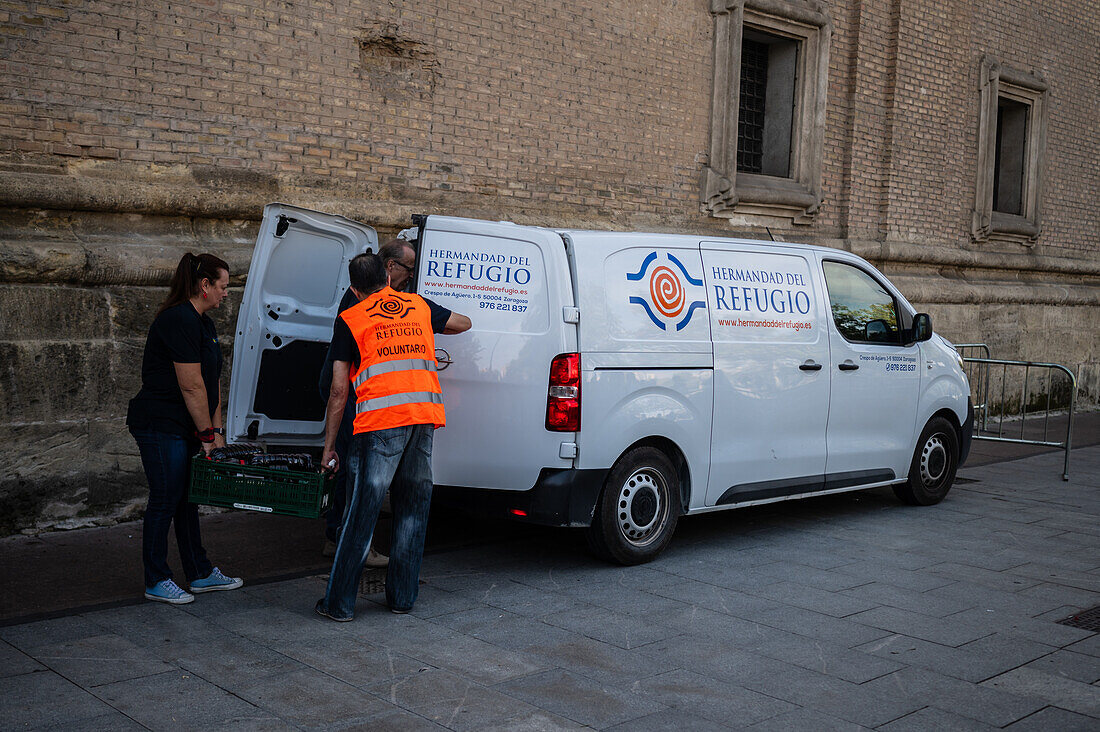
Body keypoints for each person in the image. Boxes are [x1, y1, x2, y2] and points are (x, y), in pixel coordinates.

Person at [315, 252, 468, 620]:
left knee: (360, 514)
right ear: (387, 275)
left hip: (380, 423)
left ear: (354, 288)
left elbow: (338, 391)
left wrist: (330, 446)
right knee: (413, 511)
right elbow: (463, 322)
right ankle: (402, 598)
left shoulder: (350, 319)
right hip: (424, 418)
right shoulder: (417, 306)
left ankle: (338, 604)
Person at [126, 252, 243, 605]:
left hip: (186, 425)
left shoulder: (203, 323)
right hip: (159, 424)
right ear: (204, 285)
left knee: (187, 498)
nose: (226, 293)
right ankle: (156, 579)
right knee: (165, 498)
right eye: (223, 287)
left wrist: (217, 431)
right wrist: (207, 437)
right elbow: (191, 385)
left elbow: (213, 381)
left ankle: (200, 573)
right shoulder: (177, 320)